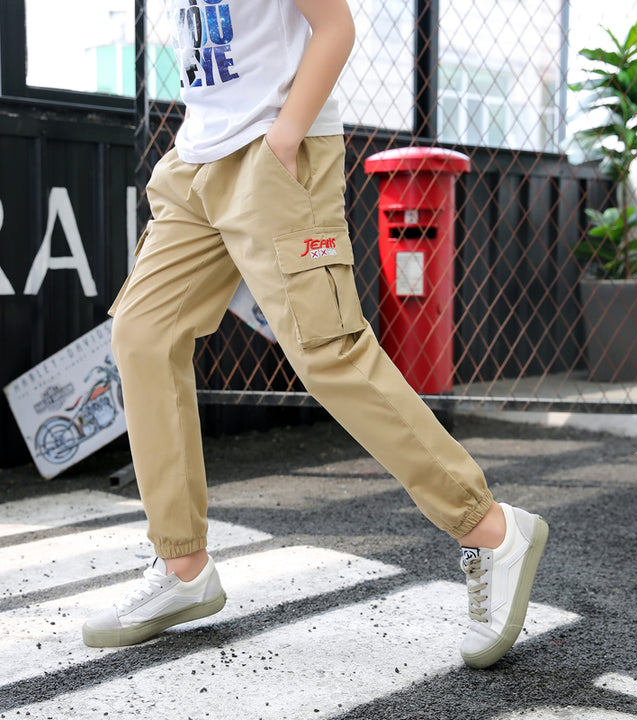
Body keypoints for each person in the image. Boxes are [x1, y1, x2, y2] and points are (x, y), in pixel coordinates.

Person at [82, 0, 549, 670]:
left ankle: (489, 528)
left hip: (274, 151)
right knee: (142, 331)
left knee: (328, 350)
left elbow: (335, 25)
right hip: (196, 161)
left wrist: (285, 138)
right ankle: (183, 565)